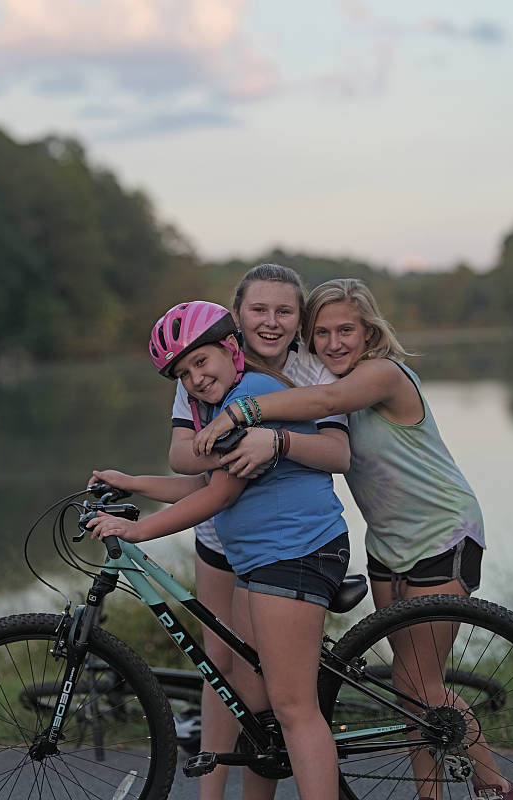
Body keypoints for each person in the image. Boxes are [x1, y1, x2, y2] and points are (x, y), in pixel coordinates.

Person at [193, 278, 513, 800]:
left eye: (345, 330)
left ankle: (496, 786)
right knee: (411, 691)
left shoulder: (382, 374)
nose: (333, 342)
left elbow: (323, 399)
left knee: (420, 684)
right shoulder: (328, 379)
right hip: (387, 544)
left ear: (369, 331)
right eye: (321, 333)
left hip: (442, 533)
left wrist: (241, 411)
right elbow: (313, 407)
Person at [88, 300, 350, 800]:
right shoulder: (217, 406)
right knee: (257, 700)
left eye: (201, 362)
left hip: (295, 553)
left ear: (231, 349)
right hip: (261, 563)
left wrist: (139, 531)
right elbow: (203, 484)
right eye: (183, 375)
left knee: (293, 708)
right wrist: (132, 483)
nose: (195, 379)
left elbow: (221, 496)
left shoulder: (251, 393)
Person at [163, 264, 349, 800]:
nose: (271, 321)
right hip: (220, 538)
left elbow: (337, 454)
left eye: (284, 311)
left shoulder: (313, 369)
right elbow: (181, 456)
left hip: (282, 540)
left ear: (299, 318)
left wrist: (274, 441)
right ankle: (211, 796)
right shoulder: (205, 362)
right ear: (236, 316)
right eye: (258, 310)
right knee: (223, 669)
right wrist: (229, 446)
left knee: (280, 694)